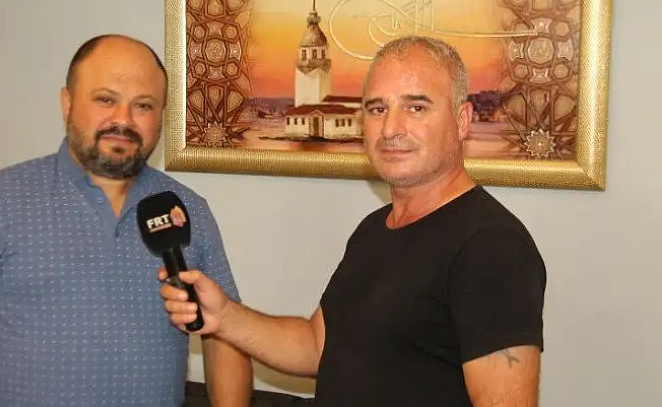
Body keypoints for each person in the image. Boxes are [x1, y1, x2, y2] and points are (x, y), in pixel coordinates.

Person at [159, 35, 547, 406]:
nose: (391, 128)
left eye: (416, 107)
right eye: (377, 109)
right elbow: (318, 345)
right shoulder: (376, 228)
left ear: (462, 120)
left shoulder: (491, 247)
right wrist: (226, 317)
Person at [0, 34, 252, 407]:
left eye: (143, 105)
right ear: (67, 104)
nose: (123, 120)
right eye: (105, 100)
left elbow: (228, 333)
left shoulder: (186, 208)